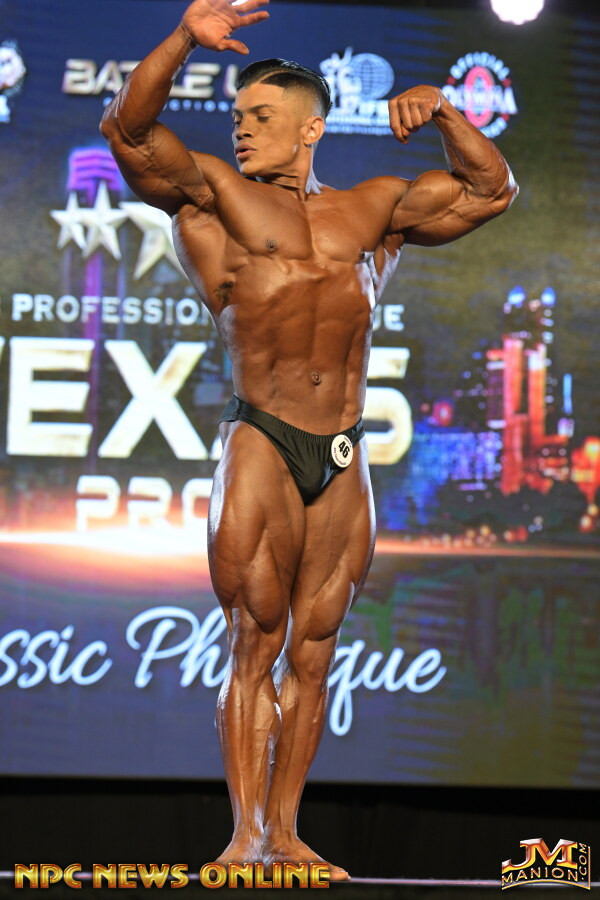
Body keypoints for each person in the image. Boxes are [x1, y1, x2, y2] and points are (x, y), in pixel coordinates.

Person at [100, 0, 518, 881]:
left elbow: (492, 191)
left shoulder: (372, 211)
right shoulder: (215, 196)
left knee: (315, 651)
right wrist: (181, 39)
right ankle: (244, 836)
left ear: (311, 128)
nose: (242, 129)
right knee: (255, 638)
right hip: (261, 436)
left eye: (261, 116)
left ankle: (286, 835)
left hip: (343, 451)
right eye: (238, 115)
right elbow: (128, 133)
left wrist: (445, 111)